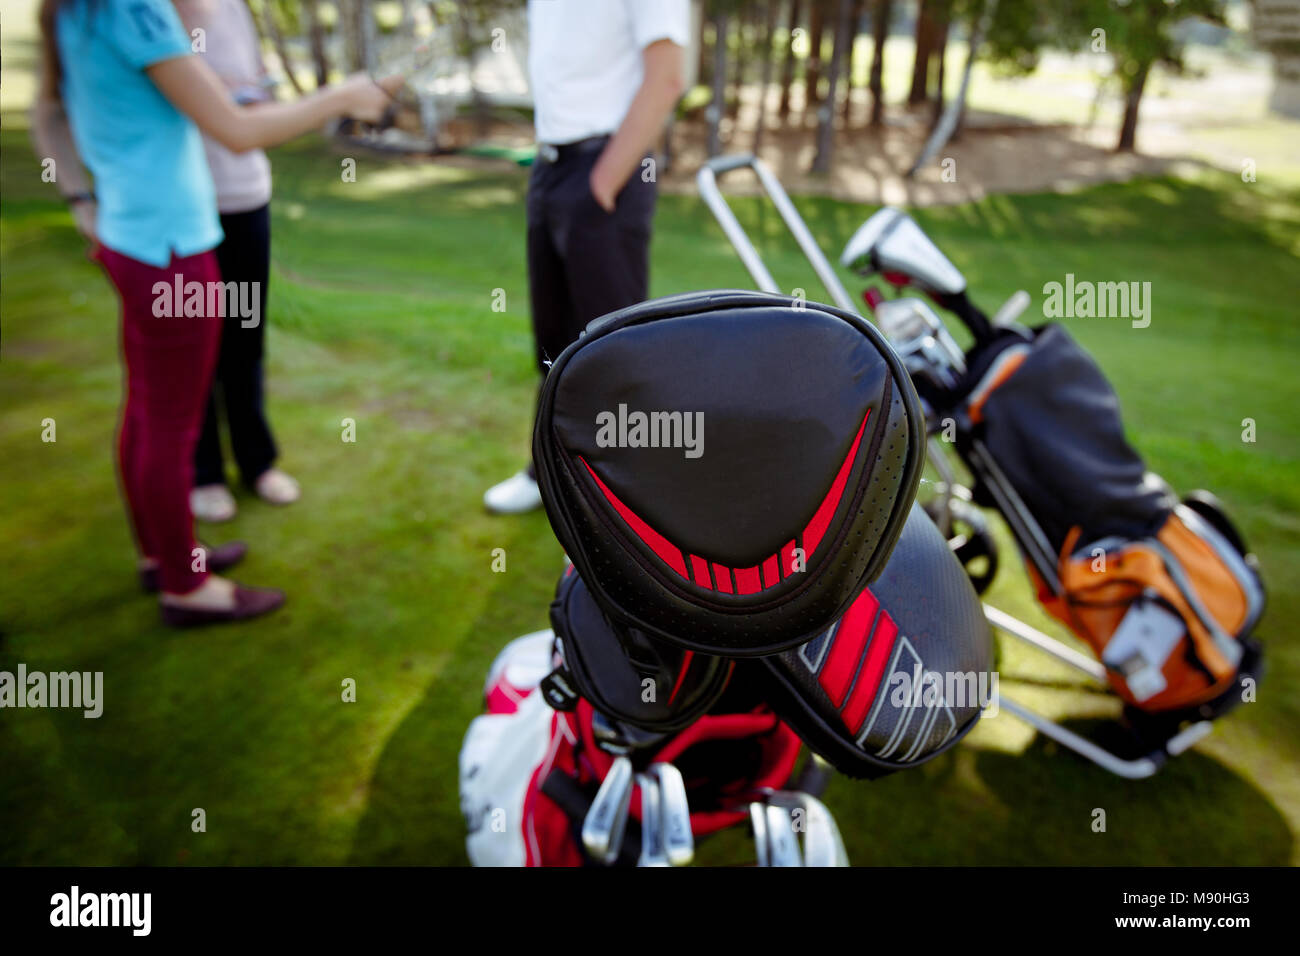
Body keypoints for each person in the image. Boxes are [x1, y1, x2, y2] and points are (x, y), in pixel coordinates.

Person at [32, 0, 399, 626]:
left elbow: (60, 107)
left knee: (148, 412)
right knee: (171, 425)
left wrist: (78, 198)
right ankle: (185, 585)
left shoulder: (74, 10)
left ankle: (166, 555)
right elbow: (236, 130)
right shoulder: (138, 10)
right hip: (172, 248)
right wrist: (342, 96)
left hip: (131, 237)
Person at [482, 0, 689, 514]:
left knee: (611, 353)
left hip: (605, 171)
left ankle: (618, 507)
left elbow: (666, 77)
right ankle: (547, 475)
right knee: (555, 348)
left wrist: (601, 182)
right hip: (550, 167)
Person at [175, 0, 298, 523]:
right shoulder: (150, 13)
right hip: (186, 204)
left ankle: (256, 462)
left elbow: (255, 93)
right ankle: (202, 473)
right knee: (194, 345)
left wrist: (254, 92)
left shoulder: (236, 8)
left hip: (245, 197)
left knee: (244, 341)